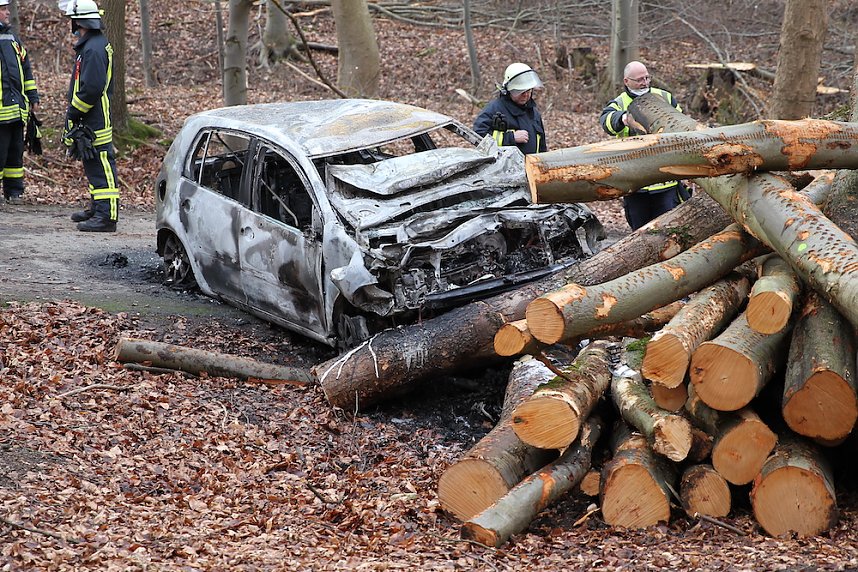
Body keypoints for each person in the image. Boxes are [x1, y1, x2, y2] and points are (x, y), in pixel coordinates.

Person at [600, 60, 689, 230]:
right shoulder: (619, 103)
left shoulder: (665, 97)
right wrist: (623, 119)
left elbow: (683, 125)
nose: (645, 83)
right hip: (635, 184)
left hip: (665, 181)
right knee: (640, 234)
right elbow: (606, 122)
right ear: (627, 81)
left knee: (669, 231)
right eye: (639, 79)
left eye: (647, 78)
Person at [62, 0, 120, 232]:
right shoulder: (91, 45)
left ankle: (107, 217)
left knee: (101, 163)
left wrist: (74, 111)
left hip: (95, 117)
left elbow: (92, 88)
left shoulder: (94, 49)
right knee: (93, 164)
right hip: (91, 116)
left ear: (79, 21)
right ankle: (98, 208)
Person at [0, 0, 39, 205]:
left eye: (7, 9)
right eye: (3, 9)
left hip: (16, 109)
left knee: (15, 154)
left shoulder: (12, 38)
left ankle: (14, 192)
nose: (7, 13)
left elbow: (26, 69)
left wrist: (33, 97)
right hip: (1, 110)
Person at [473, 63, 547, 155]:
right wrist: (510, 138)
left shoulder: (534, 113)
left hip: (530, 167)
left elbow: (542, 147)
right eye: (521, 91)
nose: (526, 95)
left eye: (529, 90)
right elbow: (478, 137)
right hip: (503, 168)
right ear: (509, 90)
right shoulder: (494, 109)